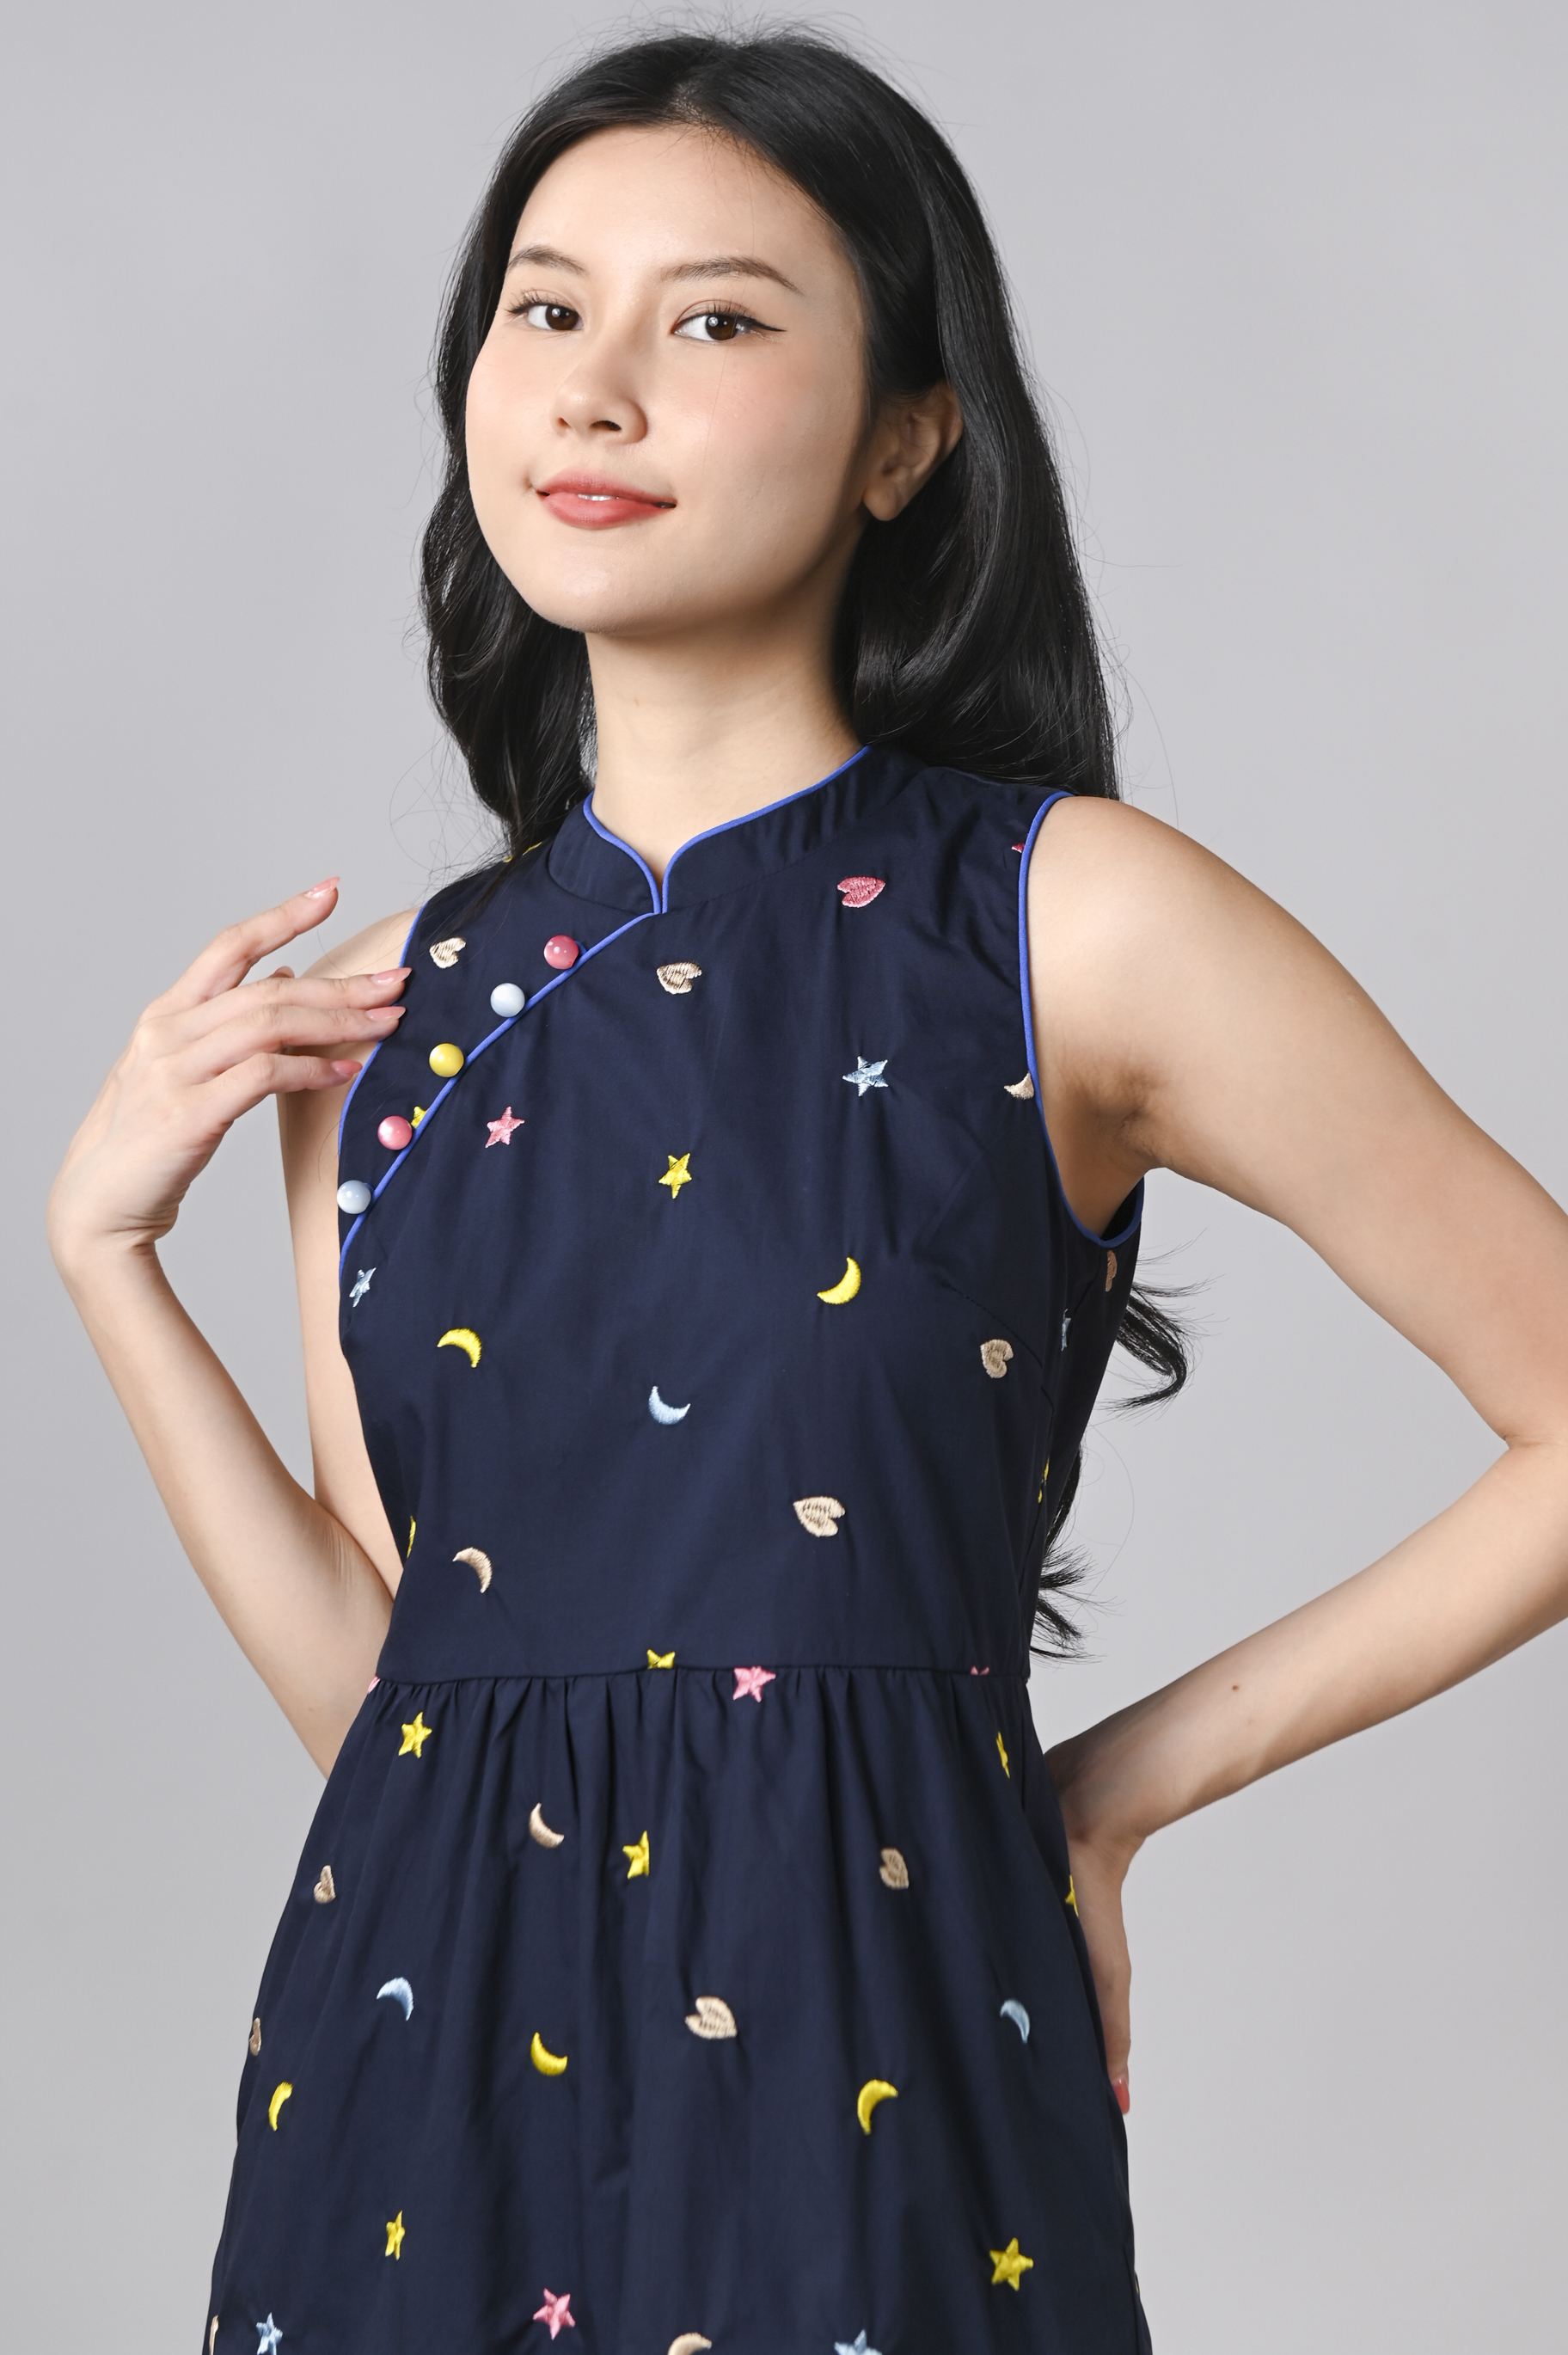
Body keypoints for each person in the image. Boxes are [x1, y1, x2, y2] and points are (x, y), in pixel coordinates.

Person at [46, 28, 1568, 2355]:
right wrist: (107, 1264)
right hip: (408, 2092)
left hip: (880, 2058)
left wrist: (1114, 1792)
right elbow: (399, 1688)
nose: (599, 387)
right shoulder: (393, 1014)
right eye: (547, 308)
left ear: (905, 437)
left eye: (718, 319)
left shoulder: (1071, 918)